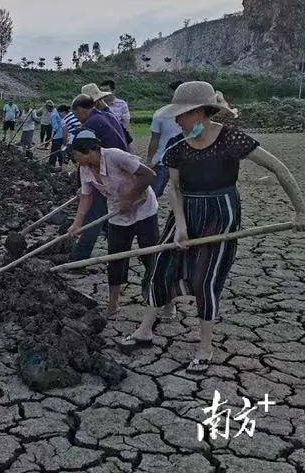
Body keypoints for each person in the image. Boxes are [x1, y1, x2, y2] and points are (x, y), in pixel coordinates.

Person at [120, 81, 305, 373]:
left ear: (200, 113)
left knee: (206, 277)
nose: (177, 121)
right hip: (186, 212)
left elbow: (279, 168)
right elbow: (175, 190)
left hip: (221, 213)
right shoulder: (177, 147)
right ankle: (145, 330)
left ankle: (205, 347)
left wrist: (300, 211)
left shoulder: (231, 139)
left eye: (182, 115)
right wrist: (179, 226)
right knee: (162, 268)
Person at [68, 130, 161, 316]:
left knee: (150, 255)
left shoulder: (116, 156)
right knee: (115, 257)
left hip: (143, 209)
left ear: (89, 151)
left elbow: (149, 175)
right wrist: (77, 223)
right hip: (117, 213)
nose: (77, 162)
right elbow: (86, 196)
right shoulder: (85, 168)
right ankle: (113, 303)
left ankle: (162, 299)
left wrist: (129, 198)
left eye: (78, 156)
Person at [69, 90, 128, 261]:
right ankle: (115, 250)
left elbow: (83, 157)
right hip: (117, 170)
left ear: (82, 110)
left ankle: (79, 258)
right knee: (108, 215)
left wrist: (83, 187)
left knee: (92, 215)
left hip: (106, 173)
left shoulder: (91, 124)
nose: (77, 118)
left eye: (76, 114)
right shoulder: (107, 115)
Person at [146, 80, 183, 197]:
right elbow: (154, 139)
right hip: (162, 160)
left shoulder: (195, 113)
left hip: (185, 160)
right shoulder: (160, 114)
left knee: (184, 193)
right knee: (153, 193)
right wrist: (149, 160)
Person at [47, 105, 70, 169]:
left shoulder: (53, 115)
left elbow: (55, 127)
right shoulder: (57, 113)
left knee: (54, 150)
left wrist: (54, 136)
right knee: (58, 149)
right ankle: (61, 162)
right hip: (63, 134)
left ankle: (51, 164)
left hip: (59, 135)